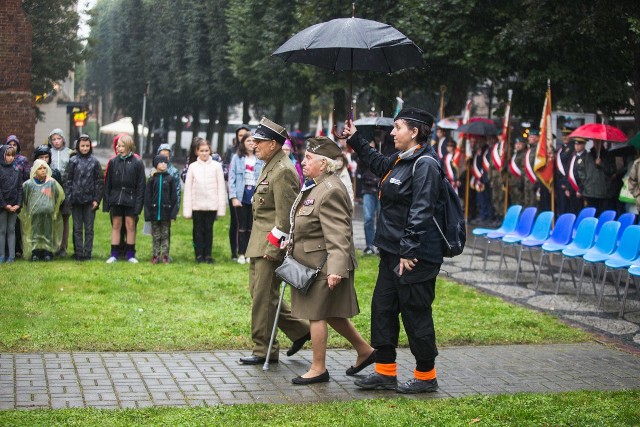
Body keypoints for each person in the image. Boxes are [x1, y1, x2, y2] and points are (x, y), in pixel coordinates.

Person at [344, 107, 445, 394]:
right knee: (383, 310)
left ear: (414, 132)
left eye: (397, 127)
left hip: (415, 257)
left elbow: (421, 210)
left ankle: (426, 376)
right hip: (391, 252)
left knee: (415, 313)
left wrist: (409, 250)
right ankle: (385, 373)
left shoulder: (425, 164)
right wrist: (355, 139)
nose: (392, 132)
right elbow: (378, 163)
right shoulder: (401, 159)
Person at [287, 136, 375, 385]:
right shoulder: (317, 185)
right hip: (314, 262)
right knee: (332, 314)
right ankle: (365, 351)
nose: (303, 162)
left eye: (309, 158)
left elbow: (339, 234)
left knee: (316, 315)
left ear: (324, 164)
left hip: (325, 265)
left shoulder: (330, 189)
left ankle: (318, 368)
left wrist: (336, 269)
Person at [240, 117, 310, 366]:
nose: (254, 144)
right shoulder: (271, 163)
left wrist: (274, 248)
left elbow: (286, 217)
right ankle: (300, 330)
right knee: (259, 294)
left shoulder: (283, 171)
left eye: (259, 141)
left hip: (270, 245)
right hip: (259, 242)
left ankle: (263, 350)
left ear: (273, 143)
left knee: (263, 297)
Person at [182, 138, 226, 264]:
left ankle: (208, 255)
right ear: (197, 152)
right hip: (197, 205)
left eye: (207, 150)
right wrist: (187, 210)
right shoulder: (192, 167)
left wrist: (221, 208)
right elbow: (188, 189)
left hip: (212, 205)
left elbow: (221, 188)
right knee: (197, 231)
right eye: (201, 151)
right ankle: (198, 255)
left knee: (208, 231)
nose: (204, 153)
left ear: (210, 151)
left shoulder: (217, 166)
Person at [103, 135, 146, 263]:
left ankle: (130, 254)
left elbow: (141, 185)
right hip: (116, 199)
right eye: (118, 146)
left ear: (128, 147)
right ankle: (114, 254)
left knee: (130, 225)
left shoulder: (138, 163)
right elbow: (108, 184)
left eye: (122, 146)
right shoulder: (113, 162)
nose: (119, 148)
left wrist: (138, 206)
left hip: (131, 199)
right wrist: (107, 203)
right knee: (116, 224)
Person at [64, 134, 103, 261]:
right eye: (82, 146)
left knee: (89, 228)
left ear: (90, 146)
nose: (85, 148)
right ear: (78, 146)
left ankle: (88, 252)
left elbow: (99, 182)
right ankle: (78, 252)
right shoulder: (73, 161)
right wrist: (68, 199)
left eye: (87, 146)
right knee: (77, 227)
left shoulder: (95, 162)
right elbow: (68, 181)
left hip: (90, 201)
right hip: (75, 200)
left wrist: (97, 199)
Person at [20, 160, 65, 261]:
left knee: (47, 232)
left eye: (44, 168)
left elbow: (58, 195)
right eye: (40, 168)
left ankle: (47, 252)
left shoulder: (51, 183)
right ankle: (35, 252)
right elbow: (25, 197)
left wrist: (54, 207)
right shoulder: (28, 184)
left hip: (48, 212)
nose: (43, 170)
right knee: (35, 232)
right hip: (34, 213)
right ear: (35, 170)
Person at [229, 134, 263, 265]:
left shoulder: (260, 158)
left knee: (252, 226)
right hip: (241, 195)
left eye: (253, 141)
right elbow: (232, 178)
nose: (251, 143)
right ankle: (241, 253)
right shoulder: (237, 158)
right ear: (242, 143)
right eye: (248, 140)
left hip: (255, 195)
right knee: (241, 226)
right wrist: (233, 197)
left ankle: (250, 253)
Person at [144, 154, 179, 264]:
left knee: (165, 235)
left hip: (166, 213)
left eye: (165, 162)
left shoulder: (170, 179)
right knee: (156, 235)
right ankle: (155, 255)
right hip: (154, 213)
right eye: (161, 162)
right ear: (156, 164)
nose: (163, 164)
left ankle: (165, 255)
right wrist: (148, 214)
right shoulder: (151, 180)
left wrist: (173, 213)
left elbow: (174, 198)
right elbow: (147, 198)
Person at [224, 125, 250, 261]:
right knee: (236, 222)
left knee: (248, 223)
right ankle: (234, 251)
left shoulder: (254, 152)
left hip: (249, 194)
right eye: (240, 135)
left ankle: (246, 250)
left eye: (245, 135)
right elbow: (227, 169)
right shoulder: (232, 152)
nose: (243, 137)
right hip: (235, 191)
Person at [48, 129, 73, 257]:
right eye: (54, 139)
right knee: (52, 218)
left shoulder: (69, 153)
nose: (56, 141)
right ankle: (52, 246)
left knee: (65, 218)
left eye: (58, 138)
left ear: (63, 139)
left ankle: (63, 247)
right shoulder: (48, 153)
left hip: (66, 189)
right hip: (51, 189)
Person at [5, 135, 30, 258]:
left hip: (18, 195)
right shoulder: (3, 161)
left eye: (15, 144)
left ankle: (17, 249)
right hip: (5, 198)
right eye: (10, 144)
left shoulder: (22, 160)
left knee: (18, 225)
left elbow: (26, 177)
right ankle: (6, 250)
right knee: (6, 226)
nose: (12, 147)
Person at [0, 144, 23, 263]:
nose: (11, 158)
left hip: (14, 205)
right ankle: (2, 255)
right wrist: (4, 205)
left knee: (11, 229)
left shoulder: (16, 170)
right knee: (2, 230)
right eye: (8, 155)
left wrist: (18, 204)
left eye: (13, 155)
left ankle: (12, 256)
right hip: (3, 207)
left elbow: (20, 188)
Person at [357, 140, 380, 255]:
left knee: (381, 219)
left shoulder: (384, 151)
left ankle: (381, 246)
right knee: (368, 218)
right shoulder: (364, 156)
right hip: (368, 188)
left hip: (381, 190)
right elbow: (360, 170)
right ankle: (369, 245)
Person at [155, 143, 182, 208]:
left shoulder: (174, 171)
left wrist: (176, 206)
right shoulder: (153, 171)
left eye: (166, 156)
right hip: (155, 205)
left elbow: (177, 190)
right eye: (161, 156)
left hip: (169, 205)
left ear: (170, 157)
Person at [507, 137, 526, 207]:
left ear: (524, 145)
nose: (518, 145)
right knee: (513, 201)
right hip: (512, 182)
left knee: (520, 202)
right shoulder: (514, 154)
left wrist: (521, 182)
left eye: (520, 144)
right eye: (516, 144)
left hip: (519, 182)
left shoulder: (524, 155)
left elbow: (523, 170)